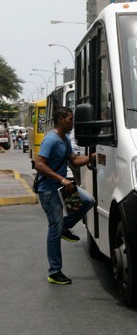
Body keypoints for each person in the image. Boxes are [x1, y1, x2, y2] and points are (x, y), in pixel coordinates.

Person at [35, 106, 95, 285]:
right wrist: (61, 179)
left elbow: (74, 160)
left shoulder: (65, 138)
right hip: (49, 190)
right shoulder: (51, 140)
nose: (72, 122)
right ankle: (55, 271)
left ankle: (64, 227)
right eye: (70, 119)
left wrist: (92, 157)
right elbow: (39, 164)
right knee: (54, 228)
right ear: (60, 119)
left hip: (62, 187)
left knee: (87, 201)